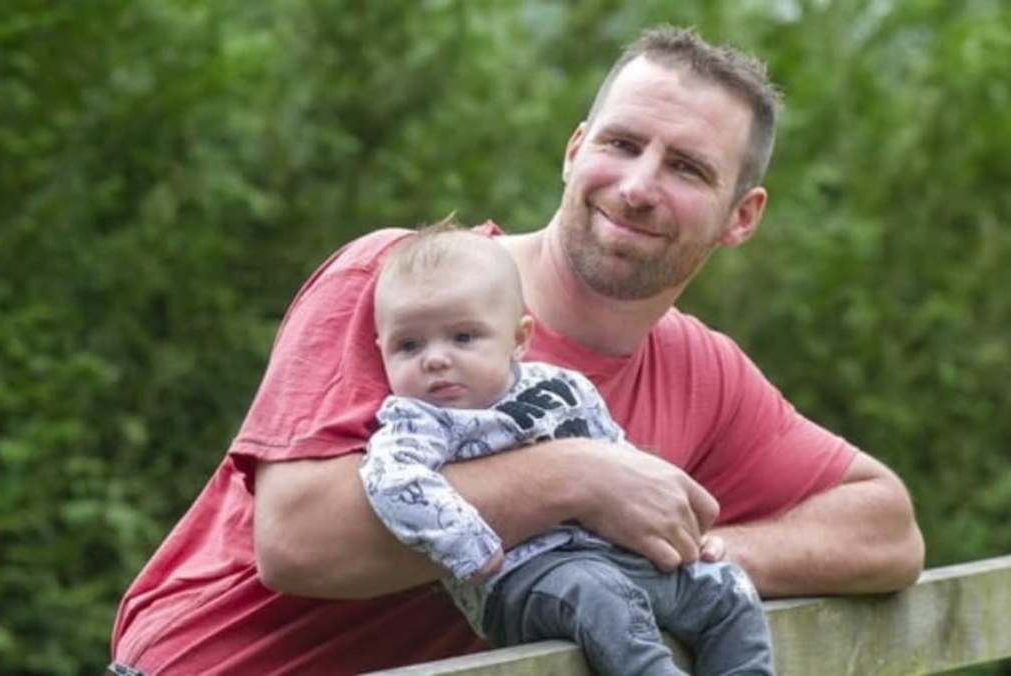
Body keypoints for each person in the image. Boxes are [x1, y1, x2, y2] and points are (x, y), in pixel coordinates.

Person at [111, 25, 924, 675]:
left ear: (741, 217)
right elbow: (295, 544)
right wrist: (577, 479)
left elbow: (886, 529)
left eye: (685, 167)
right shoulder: (407, 283)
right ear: (575, 151)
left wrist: (688, 554)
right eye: (621, 143)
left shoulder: (699, 369)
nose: (637, 184)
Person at [362, 225, 774, 675]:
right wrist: (469, 541)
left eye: (463, 337)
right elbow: (393, 481)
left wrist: (677, 535)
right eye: (409, 344)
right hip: (523, 579)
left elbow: (622, 462)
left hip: (620, 556)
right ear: (382, 351)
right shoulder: (417, 423)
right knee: (600, 597)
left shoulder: (563, 388)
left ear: (518, 339)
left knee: (726, 586)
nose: (435, 358)